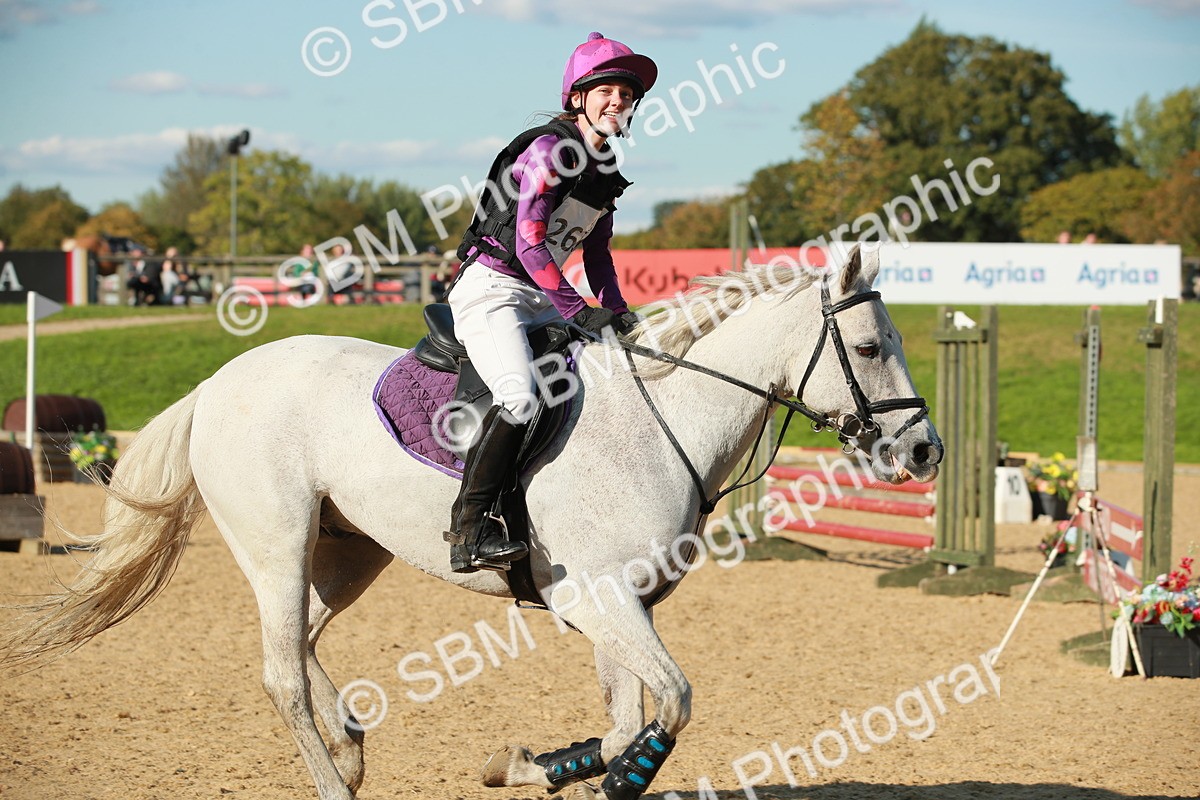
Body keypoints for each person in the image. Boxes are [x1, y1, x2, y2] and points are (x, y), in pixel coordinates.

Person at [442, 31, 656, 573]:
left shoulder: (603, 169)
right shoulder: (548, 150)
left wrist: (619, 312)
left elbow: (598, 257)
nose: (618, 101)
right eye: (607, 91)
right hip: (491, 289)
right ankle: (469, 527)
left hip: (537, 294)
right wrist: (577, 310)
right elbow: (528, 242)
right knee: (519, 397)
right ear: (578, 97)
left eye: (627, 95)